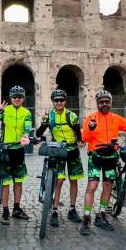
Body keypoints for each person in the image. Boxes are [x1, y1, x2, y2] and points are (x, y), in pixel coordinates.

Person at [79, 90, 126, 235]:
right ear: (97, 104)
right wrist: (90, 128)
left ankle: (101, 214)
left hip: (111, 157)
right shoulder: (91, 118)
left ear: (110, 103)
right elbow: (85, 138)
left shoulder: (116, 118)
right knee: (92, 186)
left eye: (107, 101)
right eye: (101, 102)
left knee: (107, 186)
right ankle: (86, 217)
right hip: (95, 156)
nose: (104, 104)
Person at [35, 89, 84, 226]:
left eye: (61, 100)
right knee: (60, 181)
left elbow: (77, 131)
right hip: (59, 151)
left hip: (73, 150)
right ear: (53, 102)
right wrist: (44, 123)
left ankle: (72, 209)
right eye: (56, 100)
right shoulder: (50, 116)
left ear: (65, 101)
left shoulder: (72, 115)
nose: (59, 102)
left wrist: (80, 141)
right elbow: (39, 133)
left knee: (74, 180)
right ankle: (55, 210)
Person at [0, 85, 32, 224]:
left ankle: (16, 209)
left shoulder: (27, 113)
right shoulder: (5, 111)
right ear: (10, 98)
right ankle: (5, 210)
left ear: (23, 99)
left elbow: (28, 126)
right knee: (5, 183)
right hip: (5, 150)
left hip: (19, 149)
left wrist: (26, 136)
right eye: (14, 97)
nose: (17, 99)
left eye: (19, 97)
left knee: (18, 182)